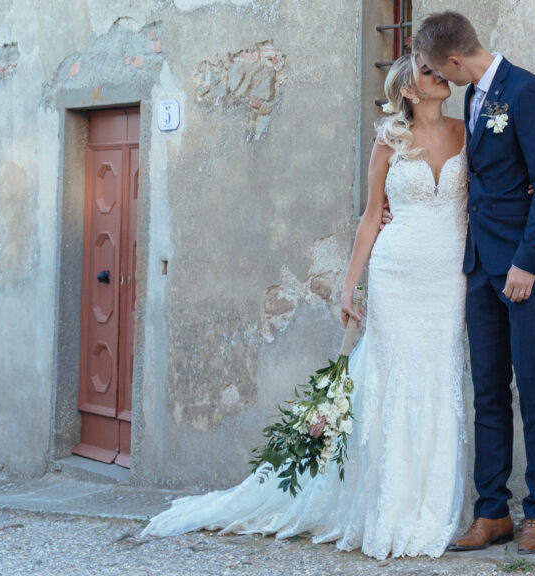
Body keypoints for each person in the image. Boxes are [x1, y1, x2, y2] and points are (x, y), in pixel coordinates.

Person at [142, 55, 468, 559]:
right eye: (428, 72)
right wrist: (348, 286)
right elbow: (371, 217)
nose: (441, 76)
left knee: (439, 379)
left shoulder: (466, 132)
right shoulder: (389, 142)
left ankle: (432, 506)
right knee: (394, 381)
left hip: (448, 278)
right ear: (408, 90)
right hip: (397, 274)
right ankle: (390, 507)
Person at [414, 11, 535, 556]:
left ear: (454, 60)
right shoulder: (471, 97)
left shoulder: (526, 91)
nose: (439, 78)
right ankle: (492, 511)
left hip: (527, 265)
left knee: (533, 384)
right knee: (487, 389)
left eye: (439, 70)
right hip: (481, 264)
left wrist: (527, 262)